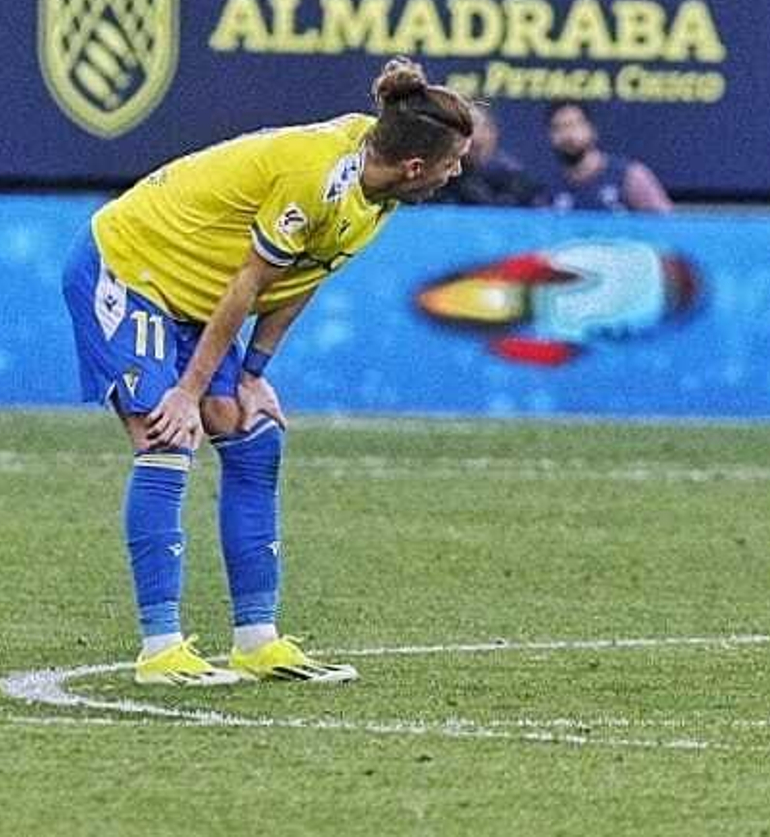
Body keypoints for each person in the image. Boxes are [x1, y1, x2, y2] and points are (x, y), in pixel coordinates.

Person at [61, 58, 474, 685]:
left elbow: (302, 276)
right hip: (133, 264)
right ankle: (161, 648)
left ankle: (257, 641)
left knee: (254, 438)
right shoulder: (318, 177)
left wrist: (253, 372)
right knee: (167, 436)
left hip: (201, 291)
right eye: (451, 162)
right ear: (416, 166)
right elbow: (250, 281)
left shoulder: (379, 191)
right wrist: (189, 390)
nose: (458, 172)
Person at [543, 100, 673, 212]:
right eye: (558, 128)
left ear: (592, 131)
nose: (568, 136)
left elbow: (668, 227)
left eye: (574, 125)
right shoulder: (548, 189)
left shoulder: (630, 176)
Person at [434, 105, 549, 206]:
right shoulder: (436, 185)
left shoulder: (517, 183)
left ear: (494, 134)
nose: (476, 136)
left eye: (482, 127)